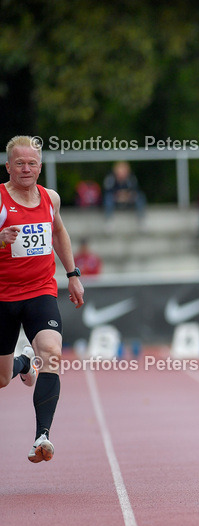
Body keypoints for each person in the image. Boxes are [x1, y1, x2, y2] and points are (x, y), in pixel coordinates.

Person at [0, 135, 86, 462]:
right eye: (20, 163)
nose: (26, 169)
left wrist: (73, 275)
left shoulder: (50, 198)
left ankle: (42, 437)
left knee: (51, 353)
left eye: (32, 163)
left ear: (40, 167)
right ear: (8, 166)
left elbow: (59, 232)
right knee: (2, 378)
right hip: (3, 297)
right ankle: (23, 363)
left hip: (40, 291)